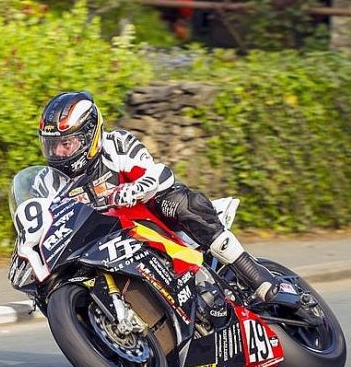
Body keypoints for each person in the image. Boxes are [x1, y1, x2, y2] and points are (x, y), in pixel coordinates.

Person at [38, 91, 306, 308]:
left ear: (89, 136)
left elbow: (159, 175)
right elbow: (40, 219)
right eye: (52, 145)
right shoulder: (48, 181)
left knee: (179, 201)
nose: (58, 152)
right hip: (103, 242)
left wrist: (130, 191)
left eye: (67, 143)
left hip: (148, 220)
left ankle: (257, 276)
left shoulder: (116, 144)